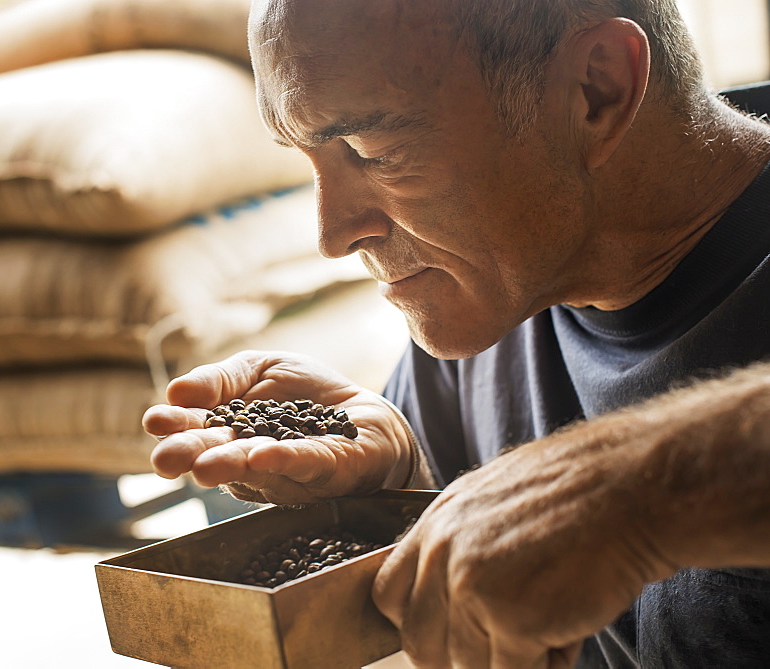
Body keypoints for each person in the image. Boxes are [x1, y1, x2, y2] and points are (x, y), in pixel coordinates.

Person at [143, 0, 770, 666]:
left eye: (374, 152)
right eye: (313, 158)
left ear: (597, 91)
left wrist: (629, 487)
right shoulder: (494, 296)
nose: (331, 235)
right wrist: (407, 479)